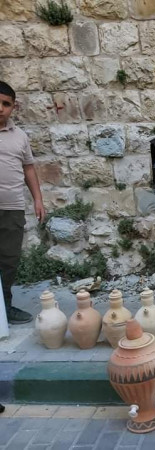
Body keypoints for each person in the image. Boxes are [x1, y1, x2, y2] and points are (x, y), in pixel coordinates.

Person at [0, 81, 45, 324]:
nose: (0, 108)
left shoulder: (19, 137)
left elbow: (28, 168)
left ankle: (4, 308)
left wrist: (38, 199)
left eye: (5, 104)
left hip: (12, 208)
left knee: (9, 259)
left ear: (13, 107)